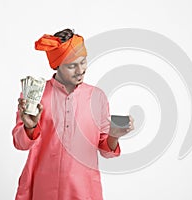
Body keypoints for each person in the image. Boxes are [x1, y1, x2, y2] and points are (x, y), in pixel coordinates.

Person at [12, 28, 134, 200]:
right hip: (43, 189)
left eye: (83, 62)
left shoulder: (96, 97)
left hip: (84, 191)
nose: (80, 70)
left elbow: (106, 151)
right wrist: (29, 127)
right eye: (72, 66)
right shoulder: (36, 94)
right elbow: (20, 144)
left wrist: (114, 137)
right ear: (57, 65)